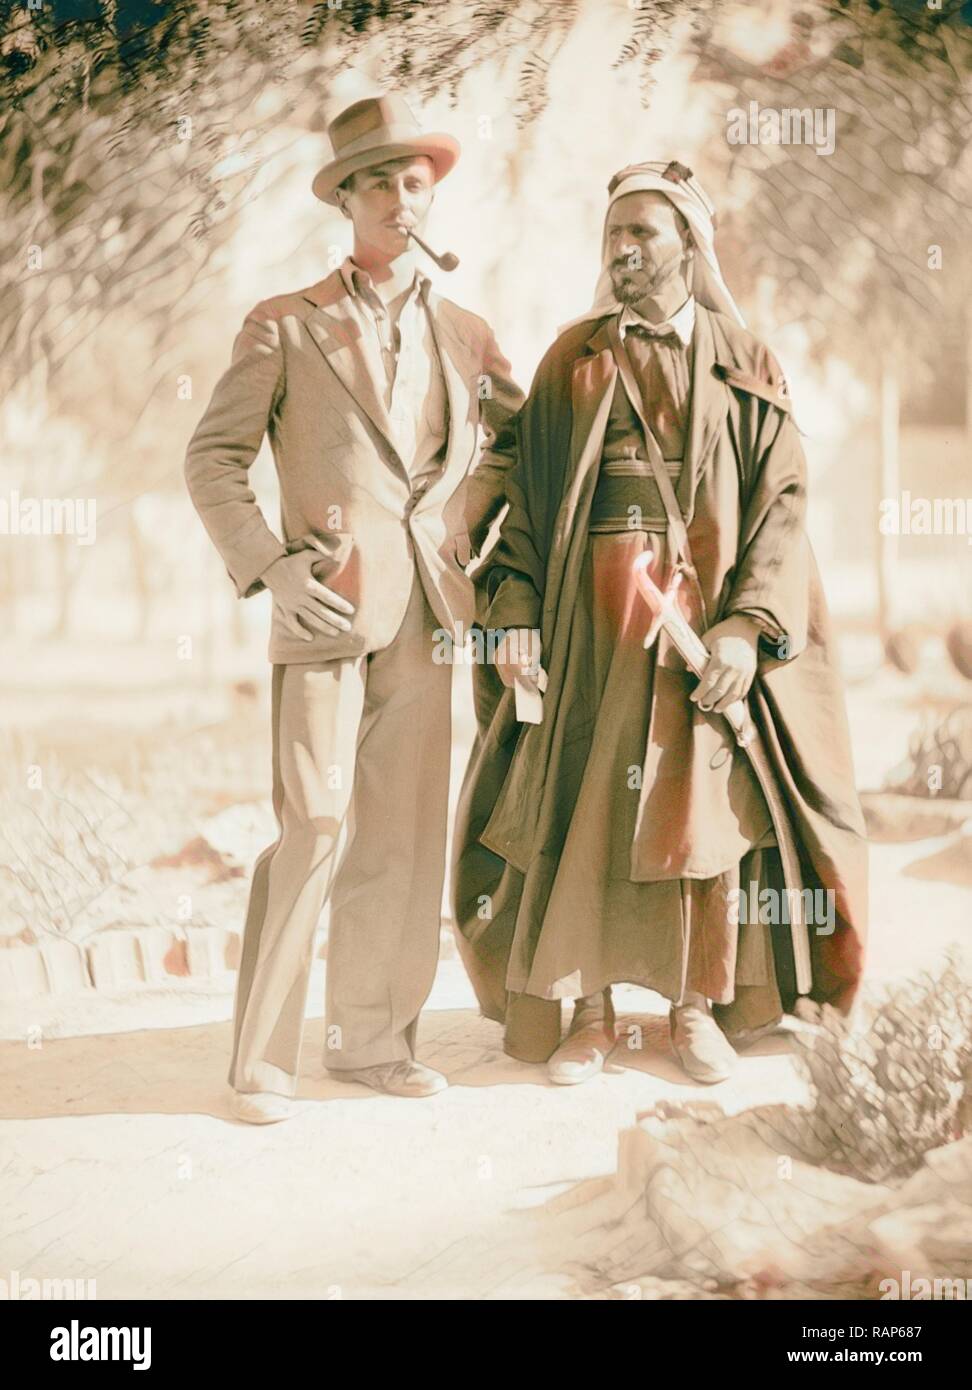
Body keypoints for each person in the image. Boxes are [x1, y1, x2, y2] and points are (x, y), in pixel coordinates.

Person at [453, 159, 867, 1087]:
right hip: (587, 618)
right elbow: (522, 499)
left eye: (645, 231)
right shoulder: (573, 356)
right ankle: (591, 1016)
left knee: (698, 814)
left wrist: (745, 627)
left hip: (700, 617)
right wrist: (515, 612)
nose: (626, 248)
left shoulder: (747, 358)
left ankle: (694, 1013)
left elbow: (782, 503)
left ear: (690, 242)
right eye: (615, 235)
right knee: (587, 803)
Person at [185, 95, 523, 1122]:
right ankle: (263, 1061)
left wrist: (466, 522)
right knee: (317, 824)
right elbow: (213, 459)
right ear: (346, 199)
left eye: (413, 179)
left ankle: (371, 1043)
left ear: (431, 196)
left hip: (429, 615)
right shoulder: (285, 323)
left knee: (403, 839)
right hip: (324, 615)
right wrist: (272, 567)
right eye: (375, 179)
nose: (397, 195)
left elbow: (515, 444)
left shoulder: (468, 332)